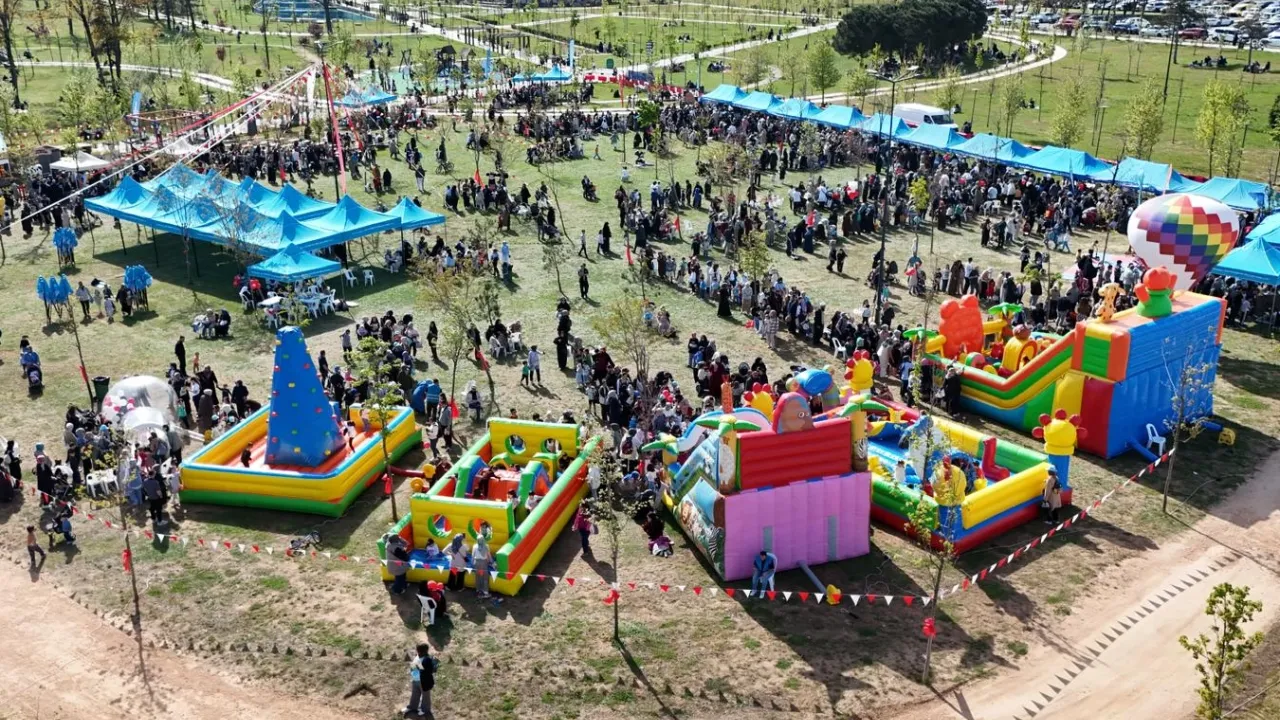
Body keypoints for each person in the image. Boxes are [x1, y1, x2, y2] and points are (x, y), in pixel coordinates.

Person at [404, 643, 436, 718]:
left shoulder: (427, 659)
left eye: (419, 650)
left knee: (425, 697)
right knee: (415, 695)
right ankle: (412, 707)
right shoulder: (417, 657)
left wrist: (418, 666)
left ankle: (425, 710)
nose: (417, 651)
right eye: (418, 650)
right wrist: (412, 668)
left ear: (424, 651)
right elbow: (413, 666)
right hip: (415, 680)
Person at [472, 531, 493, 599]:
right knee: (485, 577)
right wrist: (491, 562)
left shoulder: (475, 546)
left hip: (476, 562)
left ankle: (478, 590)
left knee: (478, 576)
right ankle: (485, 592)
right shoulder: (486, 546)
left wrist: (472, 563)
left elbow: (473, 556)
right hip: (483, 563)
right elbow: (488, 555)